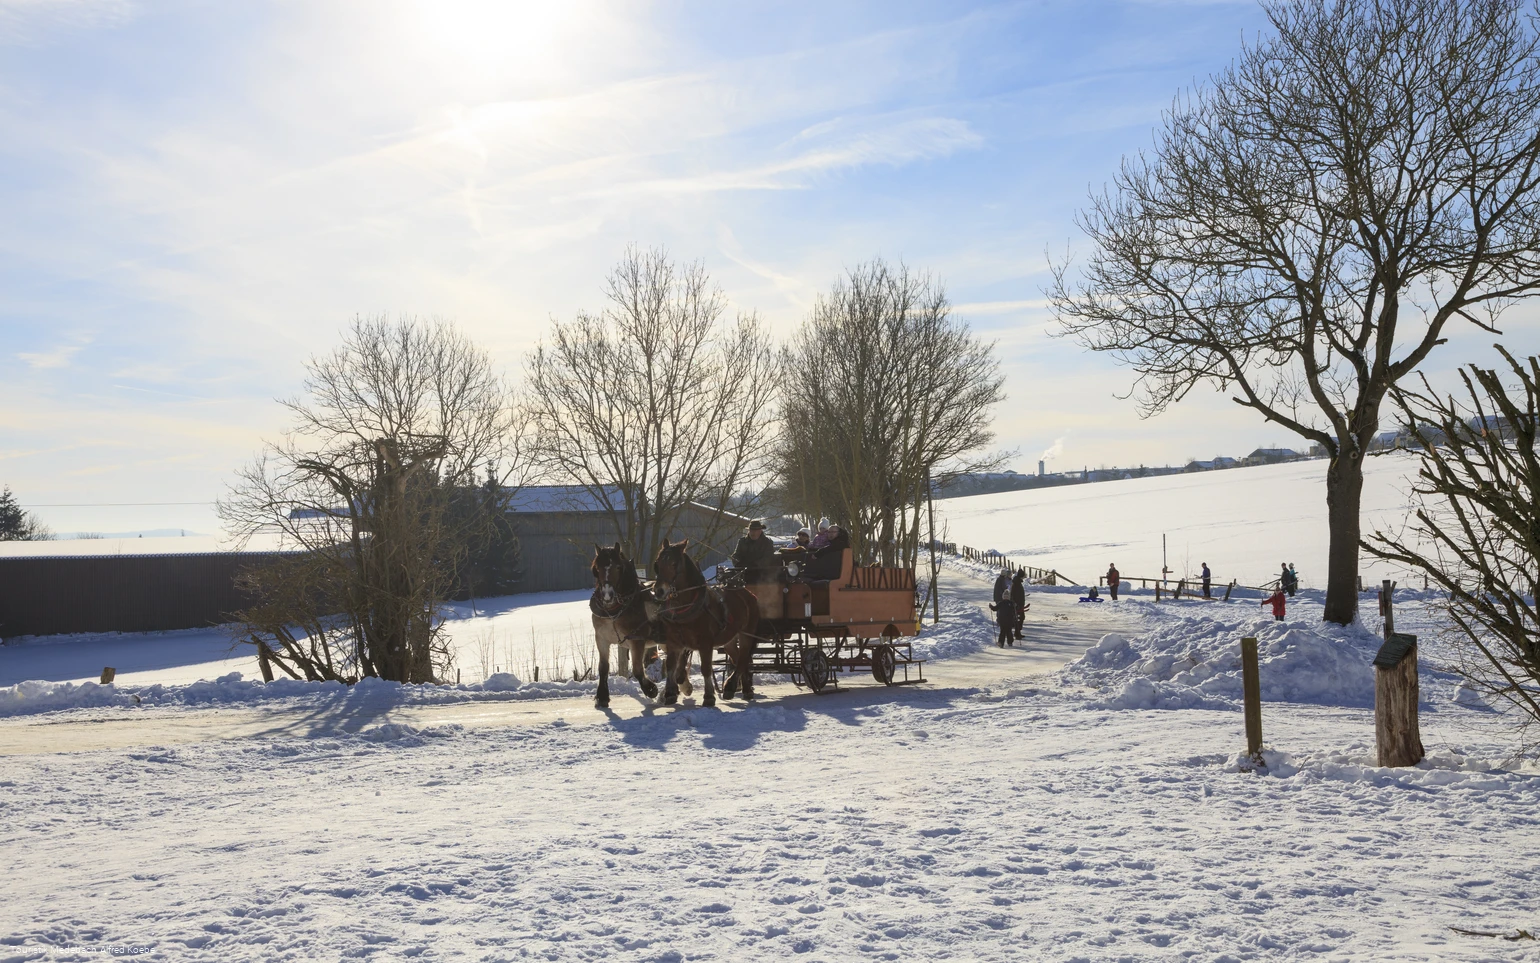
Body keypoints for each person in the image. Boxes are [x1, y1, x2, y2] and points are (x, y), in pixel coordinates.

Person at [1010, 570, 1028, 641]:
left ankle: (1017, 632)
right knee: (1019, 618)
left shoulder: (1018, 582)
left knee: (1021, 618)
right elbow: (1013, 594)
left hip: (1020, 604)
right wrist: (1015, 603)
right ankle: (1017, 634)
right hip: (1017, 604)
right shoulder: (1016, 583)